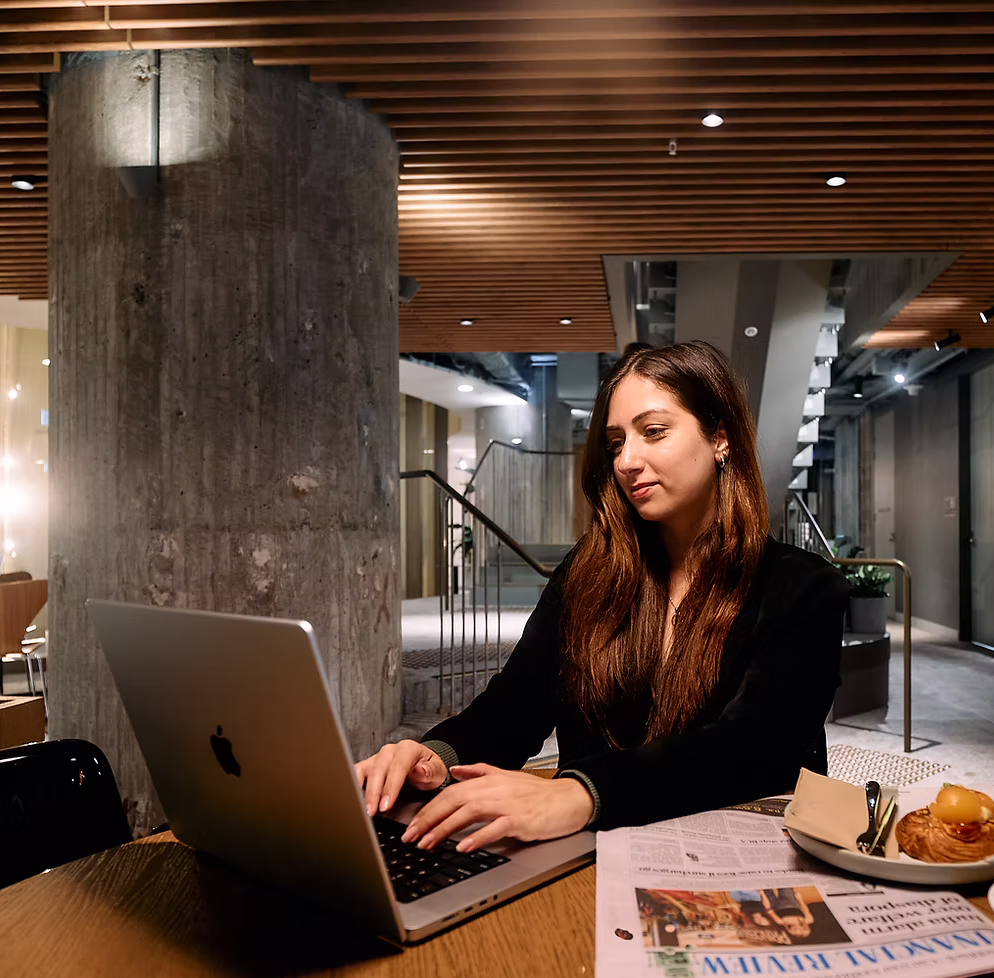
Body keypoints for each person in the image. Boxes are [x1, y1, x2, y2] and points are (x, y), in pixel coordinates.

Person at [355, 341, 850, 853]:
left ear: (720, 437)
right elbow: (516, 704)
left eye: (653, 432)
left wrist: (581, 794)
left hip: (741, 863)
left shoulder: (802, 587)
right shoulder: (589, 572)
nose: (627, 461)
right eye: (616, 443)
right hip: (593, 855)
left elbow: (751, 750)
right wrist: (433, 756)